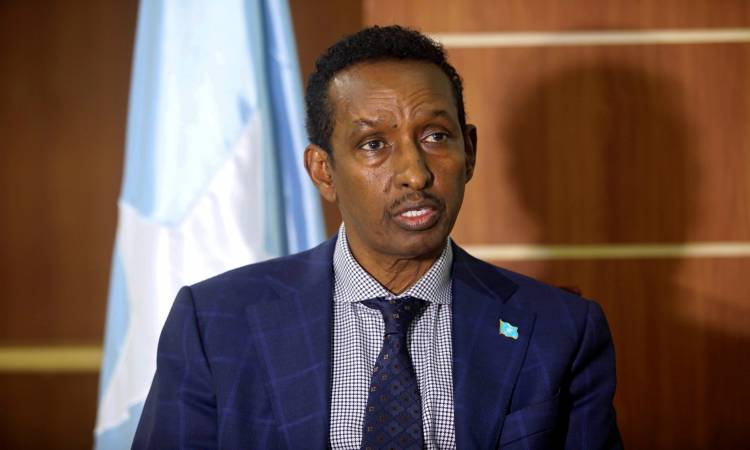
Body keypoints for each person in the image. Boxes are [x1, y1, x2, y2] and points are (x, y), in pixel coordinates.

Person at [133, 25, 622, 449]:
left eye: (435, 136)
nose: (415, 173)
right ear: (323, 171)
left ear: (469, 151)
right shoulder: (216, 322)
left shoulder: (560, 331)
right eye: (373, 144)